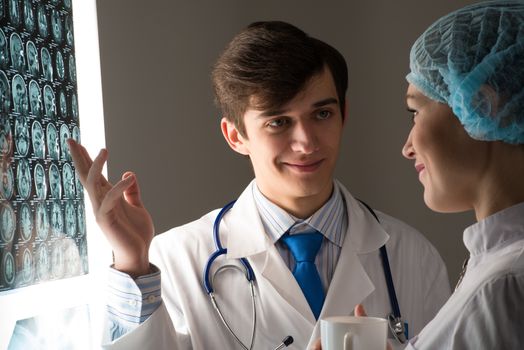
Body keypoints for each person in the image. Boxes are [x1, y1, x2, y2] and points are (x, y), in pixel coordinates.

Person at [68, 21, 450, 350]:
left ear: (344, 114)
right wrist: (133, 263)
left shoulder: (411, 256)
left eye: (322, 113)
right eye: (278, 122)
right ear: (235, 136)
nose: (307, 142)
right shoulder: (176, 261)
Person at [400, 1, 524, 349]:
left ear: (482, 104)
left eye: (415, 111)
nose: (407, 148)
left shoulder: (503, 287)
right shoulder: (495, 269)